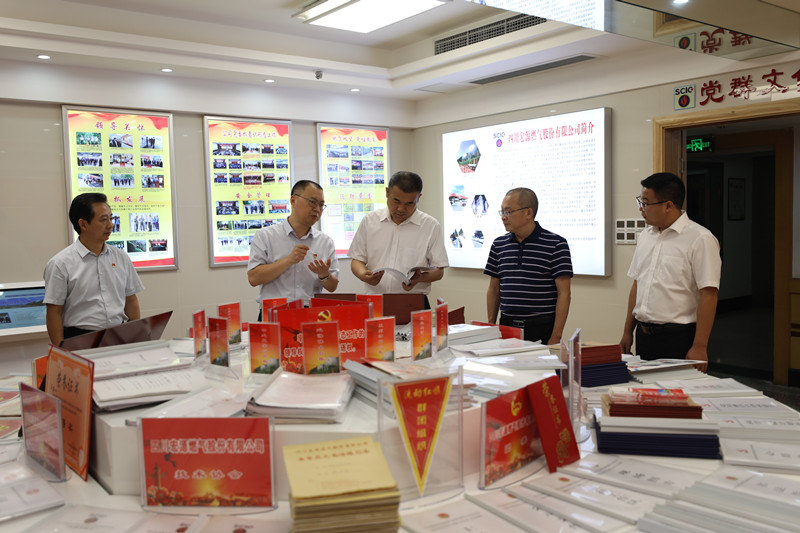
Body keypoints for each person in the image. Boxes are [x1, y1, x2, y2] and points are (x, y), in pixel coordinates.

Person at [619, 172, 721, 371]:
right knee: (644, 388)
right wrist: (627, 332)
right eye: (640, 201)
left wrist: (700, 346)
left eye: (646, 203)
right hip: (644, 335)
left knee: (677, 390)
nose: (641, 208)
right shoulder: (645, 236)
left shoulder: (700, 238)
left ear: (668, 206)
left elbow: (709, 294)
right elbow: (637, 285)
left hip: (678, 337)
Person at [43, 193, 144, 346]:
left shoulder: (121, 257)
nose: (110, 225)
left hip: (118, 336)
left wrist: (135, 337)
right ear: (83, 224)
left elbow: (131, 300)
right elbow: (54, 312)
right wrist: (61, 351)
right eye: (103, 220)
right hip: (79, 339)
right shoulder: (60, 264)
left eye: (111, 218)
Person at [484, 187, 572, 345]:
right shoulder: (499, 244)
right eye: (502, 212)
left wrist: (556, 336)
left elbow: (564, 293)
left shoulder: (556, 244)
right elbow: (494, 288)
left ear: (528, 213)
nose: (503, 217)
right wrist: (491, 325)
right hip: (507, 326)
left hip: (542, 327)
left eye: (508, 211)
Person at [348, 171, 448, 306]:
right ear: (387, 192)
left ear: (419, 198)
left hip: (413, 302)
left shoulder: (430, 226)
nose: (401, 209)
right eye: (396, 201)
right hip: (375, 301)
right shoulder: (370, 221)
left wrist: (420, 278)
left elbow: (439, 270)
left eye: (409, 203)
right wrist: (363, 274)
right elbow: (357, 260)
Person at [248, 180, 339, 316]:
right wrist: (289, 260)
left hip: (310, 314)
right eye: (312, 202)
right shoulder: (265, 236)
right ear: (293, 200)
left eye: (321, 205)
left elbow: (332, 287)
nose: (317, 209)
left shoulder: (325, 242)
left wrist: (324, 275)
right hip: (274, 313)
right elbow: (253, 278)